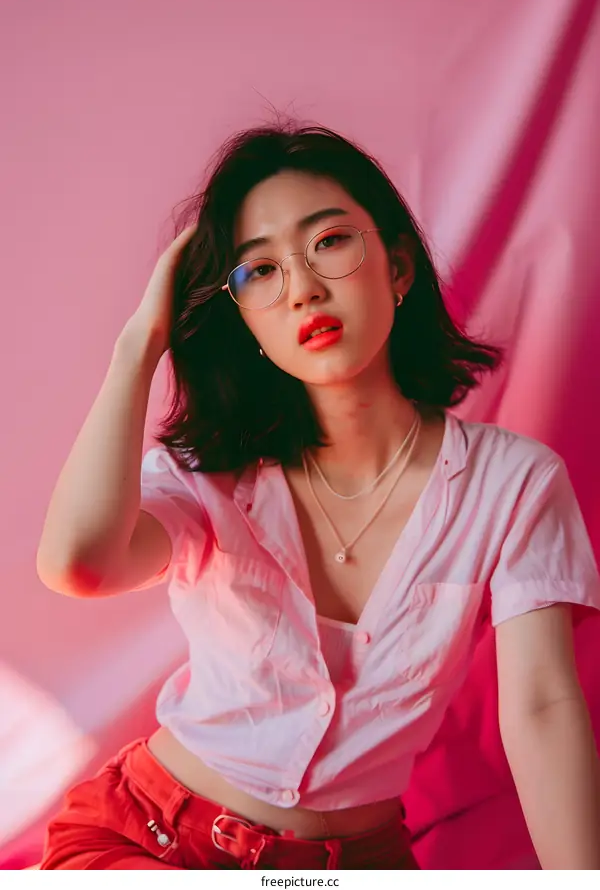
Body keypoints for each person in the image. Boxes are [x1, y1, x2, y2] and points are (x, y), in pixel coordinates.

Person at [36, 121, 600, 870]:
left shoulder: (515, 483)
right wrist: (140, 342)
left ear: (398, 269)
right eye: (258, 271)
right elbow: (79, 565)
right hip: (154, 839)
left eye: (329, 242)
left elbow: (540, 705)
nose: (301, 286)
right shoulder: (208, 473)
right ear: (245, 317)